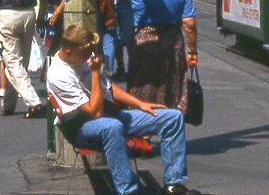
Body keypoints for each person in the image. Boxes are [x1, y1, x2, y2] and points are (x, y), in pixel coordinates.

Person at [47, 24, 201, 195]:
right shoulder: (59, 74)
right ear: (69, 51)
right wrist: (96, 73)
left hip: (110, 114)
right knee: (112, 127)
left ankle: (174, 185)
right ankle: (128, 190)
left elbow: (109, 89)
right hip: (81, 126)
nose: (90, 56)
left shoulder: (82, 59)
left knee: (173, 117)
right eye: (85, 53)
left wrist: (140, 104)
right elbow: (95, 112)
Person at [119, 0, 197, 113]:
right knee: (172, 87)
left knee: (142, 89)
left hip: (143, 42)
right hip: (171, 41)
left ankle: (143, 132)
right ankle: (171, 126)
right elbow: (189, 24)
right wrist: (192, 51)